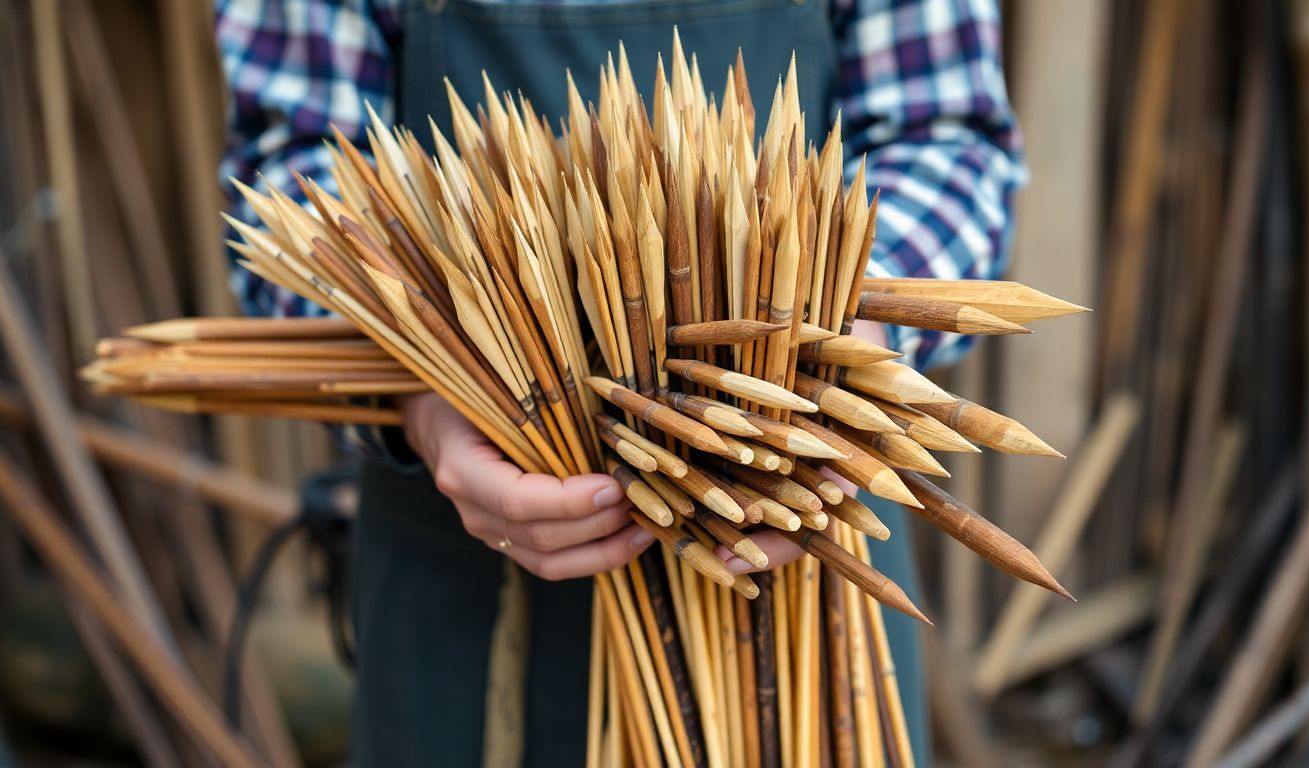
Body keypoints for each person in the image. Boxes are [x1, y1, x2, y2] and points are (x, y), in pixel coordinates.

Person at [216, 0, 1024, 764]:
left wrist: (850, 330)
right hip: (467, 564)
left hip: (806, 522)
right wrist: (430, 397)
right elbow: (292, 174)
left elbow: (946, 133)